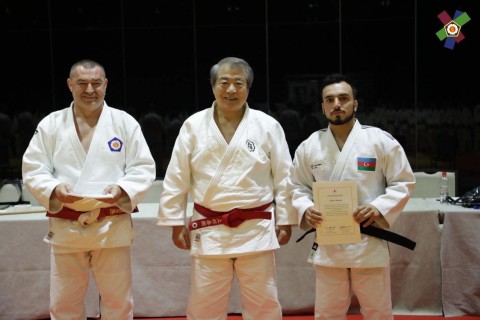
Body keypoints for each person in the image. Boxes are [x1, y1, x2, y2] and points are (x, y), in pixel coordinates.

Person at [158, 56, 296, 320]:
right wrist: (175, 222)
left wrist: (286, 218)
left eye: (238, 83)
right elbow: (177, 176)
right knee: (205, 305)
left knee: (264, 302)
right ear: (213, 86)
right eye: (224, 82)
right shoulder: (194, 126)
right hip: (209, 228)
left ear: (248, 87)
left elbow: (284, 175)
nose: (231, 89)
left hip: (256, 228)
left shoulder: (267, 126)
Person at [22, 59, 156, 320]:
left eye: (96, 83)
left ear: (105, 85)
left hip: (111, 225)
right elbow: (34, 168)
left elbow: (143, 167)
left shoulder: (124, 123)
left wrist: (122, 188)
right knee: (64, 303)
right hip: (67, 228)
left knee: (118, 302)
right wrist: (53, 188)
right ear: (70, 85)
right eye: (82, 83)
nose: (90, 89)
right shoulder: (51, 124)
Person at [288, 73, 415, 320]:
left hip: (368, 240)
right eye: (330, 99)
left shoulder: (380, 141)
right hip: (329, 242)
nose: (337, 104)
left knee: (377, 311)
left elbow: (404, 181)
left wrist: (379, 208)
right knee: (327, 312)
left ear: (355, 103)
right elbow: (296, 186)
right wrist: (305, 208)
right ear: (322, 107)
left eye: (344, 98)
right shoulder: (309, 146)